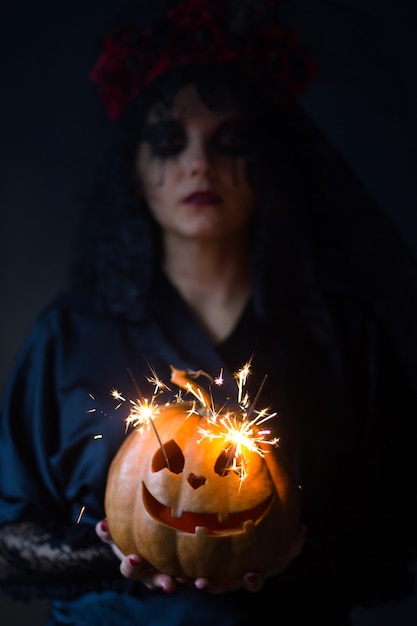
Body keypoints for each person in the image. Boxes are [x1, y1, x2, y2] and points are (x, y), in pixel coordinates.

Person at [1, 0, 416, 624]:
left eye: (231, 141)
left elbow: (394, 538)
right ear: (135, 172)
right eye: (170, 142)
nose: (200, 163)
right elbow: (6, 537)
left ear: (269, 163)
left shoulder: (343, 334)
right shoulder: (68, 336)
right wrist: (111, 546)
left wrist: (286, 555)